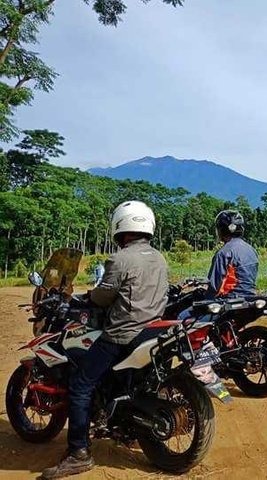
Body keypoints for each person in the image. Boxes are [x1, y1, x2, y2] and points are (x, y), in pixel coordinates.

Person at [42, 200, 168, 479]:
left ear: (121, 227)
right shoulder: (158, 257)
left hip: (122, 333)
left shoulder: (120, 259)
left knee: (80, 384)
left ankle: (78, 453)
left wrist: (87, 297)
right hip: (153, 329)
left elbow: (102, 297)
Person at [177, 210, 258, 321]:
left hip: (228, 300)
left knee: (182, 317)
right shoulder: (251, 250)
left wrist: (205, 301)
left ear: (222, 230)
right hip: (248, 298)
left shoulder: (224, 253)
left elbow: (215, 286)